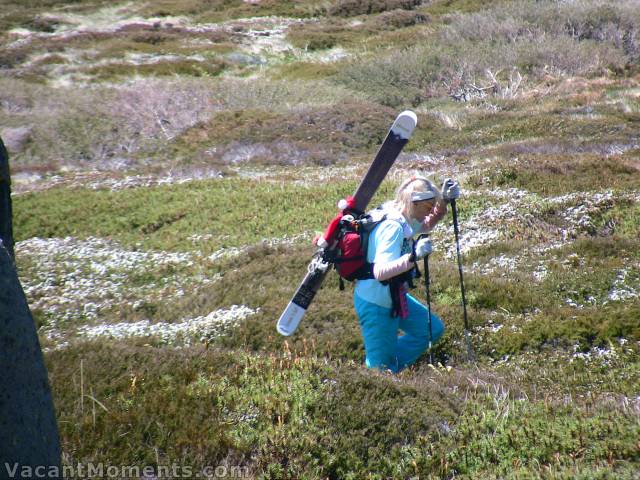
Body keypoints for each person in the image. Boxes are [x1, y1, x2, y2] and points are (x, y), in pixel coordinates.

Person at [353, 175, 460, 373]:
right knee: (380, 370)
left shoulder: (402, 214)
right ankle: (381, 376)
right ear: (414, 202)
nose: (429, 212)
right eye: (428, 207)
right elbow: (380, 272)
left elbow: (427, 224)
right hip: (376, 303)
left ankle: (390, 368)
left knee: (430, 330)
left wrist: (443, 202)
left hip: (392, 296)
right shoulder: (392, 228)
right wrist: (413, 256)